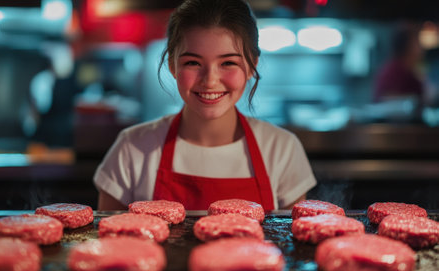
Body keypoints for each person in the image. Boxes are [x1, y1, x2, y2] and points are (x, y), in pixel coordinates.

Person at [94, 0, 317, 211]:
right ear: (172, 65)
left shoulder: (282, 149)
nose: (210, 80)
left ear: (251, 66)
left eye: (228, 63)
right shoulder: (132, 148)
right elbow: (111, 244)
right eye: (193, 62)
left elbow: (291, 243)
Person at [373, 23, 425, 107]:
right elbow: (386, 99)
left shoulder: (410, 69)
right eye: (417, 42)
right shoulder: (394, 69)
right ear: (407, 46)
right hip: (394, 120)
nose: (421, 47)